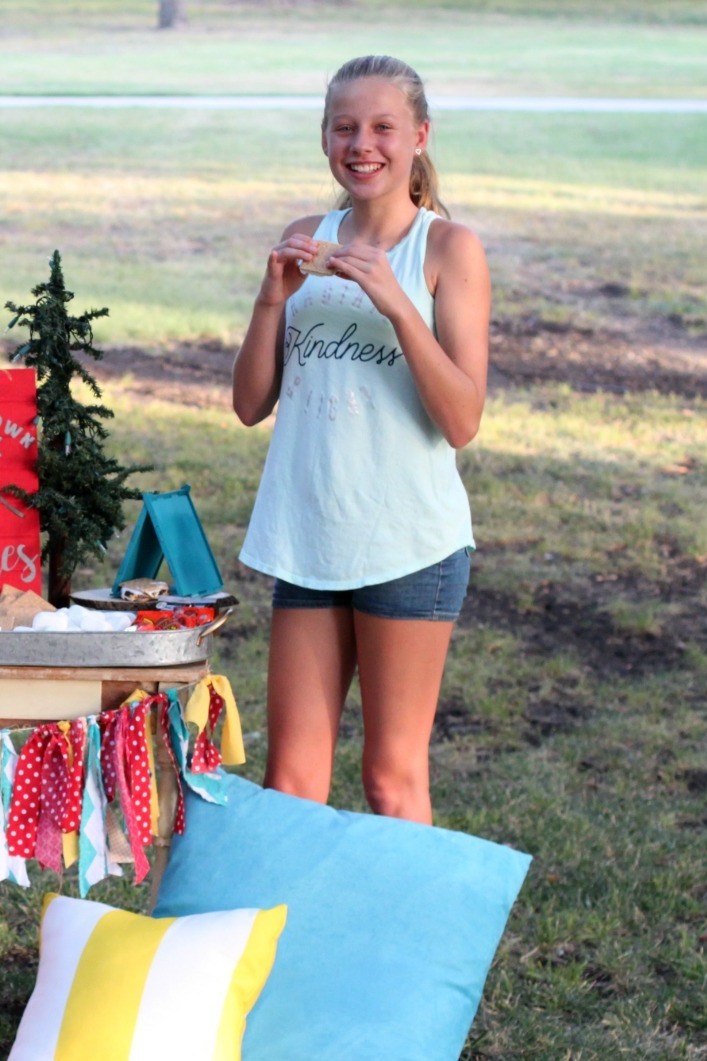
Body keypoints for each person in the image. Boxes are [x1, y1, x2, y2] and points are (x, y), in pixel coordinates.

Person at [232, 55, 490, 825]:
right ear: (324, 138)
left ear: (419, 136)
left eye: (382, 126)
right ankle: (289, 943)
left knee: (390, 779)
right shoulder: (305, 238)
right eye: (345, 126)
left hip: (409, 542)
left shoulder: (447, 250)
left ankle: (407, 948)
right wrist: (271, 299)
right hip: (309, 533)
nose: (362, 143)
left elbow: (462, 420)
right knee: (292, 782)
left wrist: (397, 305)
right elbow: (250, 403)